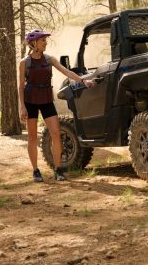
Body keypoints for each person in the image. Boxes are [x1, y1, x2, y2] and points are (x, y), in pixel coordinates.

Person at [18, 29, 95, 182]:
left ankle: (58, 169)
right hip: (30, 101)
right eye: (42, 40)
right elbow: (20, 86)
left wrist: (83, 81)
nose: (45, 43)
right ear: (33, 43)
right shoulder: (24, 63)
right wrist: (22, 107)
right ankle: (35, 171)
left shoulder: (49, 59)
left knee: (56, 133)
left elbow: (66, 72)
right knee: (32, 137)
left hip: (46, 100)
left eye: (45, 40)